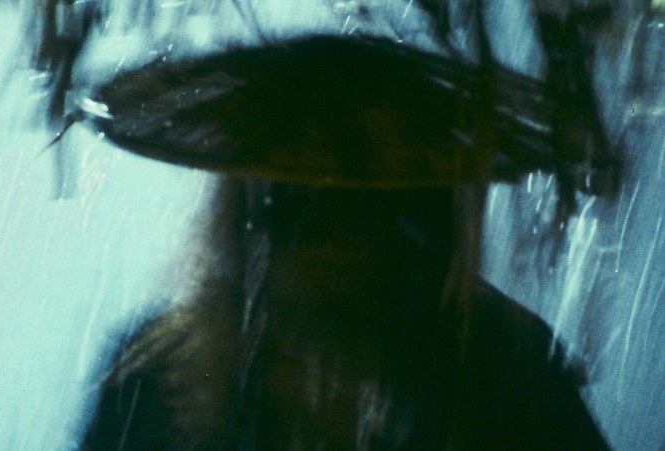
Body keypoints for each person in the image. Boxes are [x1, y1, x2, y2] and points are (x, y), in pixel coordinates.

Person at [75, 33, 613, 450]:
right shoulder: (152, 377)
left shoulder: (508, 375)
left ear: (426, 215)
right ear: (242, 209)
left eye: (368, 205)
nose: (335, 238)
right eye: (295, 199)